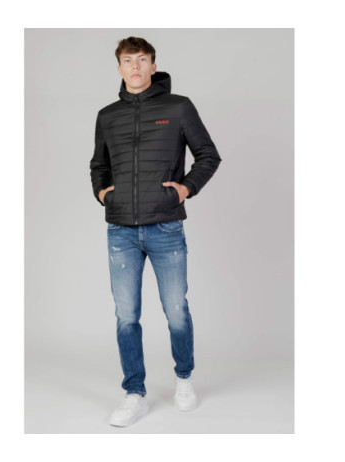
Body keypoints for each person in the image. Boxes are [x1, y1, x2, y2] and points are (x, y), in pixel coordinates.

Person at [90, 36, 222, 427]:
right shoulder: (107, 115)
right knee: (126, 316)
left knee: (177, 310)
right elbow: (99, 165)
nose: (135, 66)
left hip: (165, 226)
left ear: (153, 65)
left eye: (142, 59)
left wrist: (186, 188)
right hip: (121, 231)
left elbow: (208, 155)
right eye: (128, 60)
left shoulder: (178, 107)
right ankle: (134, 393)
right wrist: (103, 193)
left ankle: (184, 379)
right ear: (119, 68)